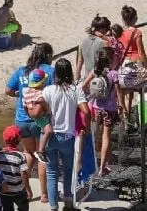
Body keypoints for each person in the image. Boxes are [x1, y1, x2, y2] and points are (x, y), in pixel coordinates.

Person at [28, 58, 91, 211]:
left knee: (51, 172)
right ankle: (68, 204)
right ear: (70, 72)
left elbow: (38, 112)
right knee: (68, 171)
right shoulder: (75, 90)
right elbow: (86, 111)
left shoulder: (48, 90)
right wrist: (87, 128)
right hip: (67, 137)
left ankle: (53, 207)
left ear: (55, 73)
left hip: (49, 137)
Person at [4, 43, 53, 203]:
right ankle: (44, 194)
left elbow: (8, 90)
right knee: (41, 155)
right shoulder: (50, 71)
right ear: (48, 55)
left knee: (27, 153)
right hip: (40, 119)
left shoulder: (21, 70)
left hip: (22, 118)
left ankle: (26, 191)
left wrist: (20, 94)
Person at [81, 47, 123, 176]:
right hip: (109, 109)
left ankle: (89, 162)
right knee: (106, 137)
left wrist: (91, 93)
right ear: (110, 60)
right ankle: (102, 167)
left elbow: (83, 85)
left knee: (93, 135)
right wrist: (122, 106)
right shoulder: (113, 74)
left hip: (94, 107)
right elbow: (118, 92)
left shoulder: (95, 71)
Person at [22, 69, 54, 164]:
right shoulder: (39, 93)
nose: (44, 84)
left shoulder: (27, 93)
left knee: (44, 130)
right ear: (40, 83)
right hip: (42, 116)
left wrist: (29, 114)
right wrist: (48, 110)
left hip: (34, 118)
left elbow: (24, 105)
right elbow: (41, 101)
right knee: (49, 130)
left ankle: (40, 148)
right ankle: (40, 150)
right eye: (43, 82)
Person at [0, 126, 31, 211]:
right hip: (19, 191)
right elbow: (24, 175)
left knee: (7, 208)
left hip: (3, 191)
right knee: (23, 208)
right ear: (19, 140)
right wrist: (28, 189)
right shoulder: (20, 156)